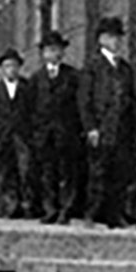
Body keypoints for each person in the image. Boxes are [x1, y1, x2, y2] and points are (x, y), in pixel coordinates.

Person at [77, 17, 136, 228]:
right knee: (97, 174)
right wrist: (91, 128)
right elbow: (84, 100)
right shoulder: (92, 67)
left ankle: (115, 216)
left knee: (119, 174)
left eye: (118, 37)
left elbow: (132, 100)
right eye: (112, 37)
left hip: (121, 129)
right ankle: (91, 214)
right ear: (101, 39)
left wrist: (135, 128)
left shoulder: (125, 68)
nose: (117, 41)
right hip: (101, 128)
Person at [30, 30, 82, 224]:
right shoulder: (36, 79)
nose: (54, 53)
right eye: (50, 50)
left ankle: (66, 210)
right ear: (43, 54)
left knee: (67, 173)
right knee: (47, 173)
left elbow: (80, 104)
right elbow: (30, 108)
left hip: (67, 132)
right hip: (44, 134)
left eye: (57, 49)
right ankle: (50, 209)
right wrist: (35, 131)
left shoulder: (73, 76)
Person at [0, 48, 35, 219]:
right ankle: (0, 207)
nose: (11, 70)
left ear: (19, 68)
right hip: (2, 136)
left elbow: (32, 112)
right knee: (0, 172)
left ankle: (25, 207)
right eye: (7, 66)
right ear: (2, 69)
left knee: (25, 171)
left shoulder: (27, 88)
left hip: (22, 136)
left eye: (14, 66)